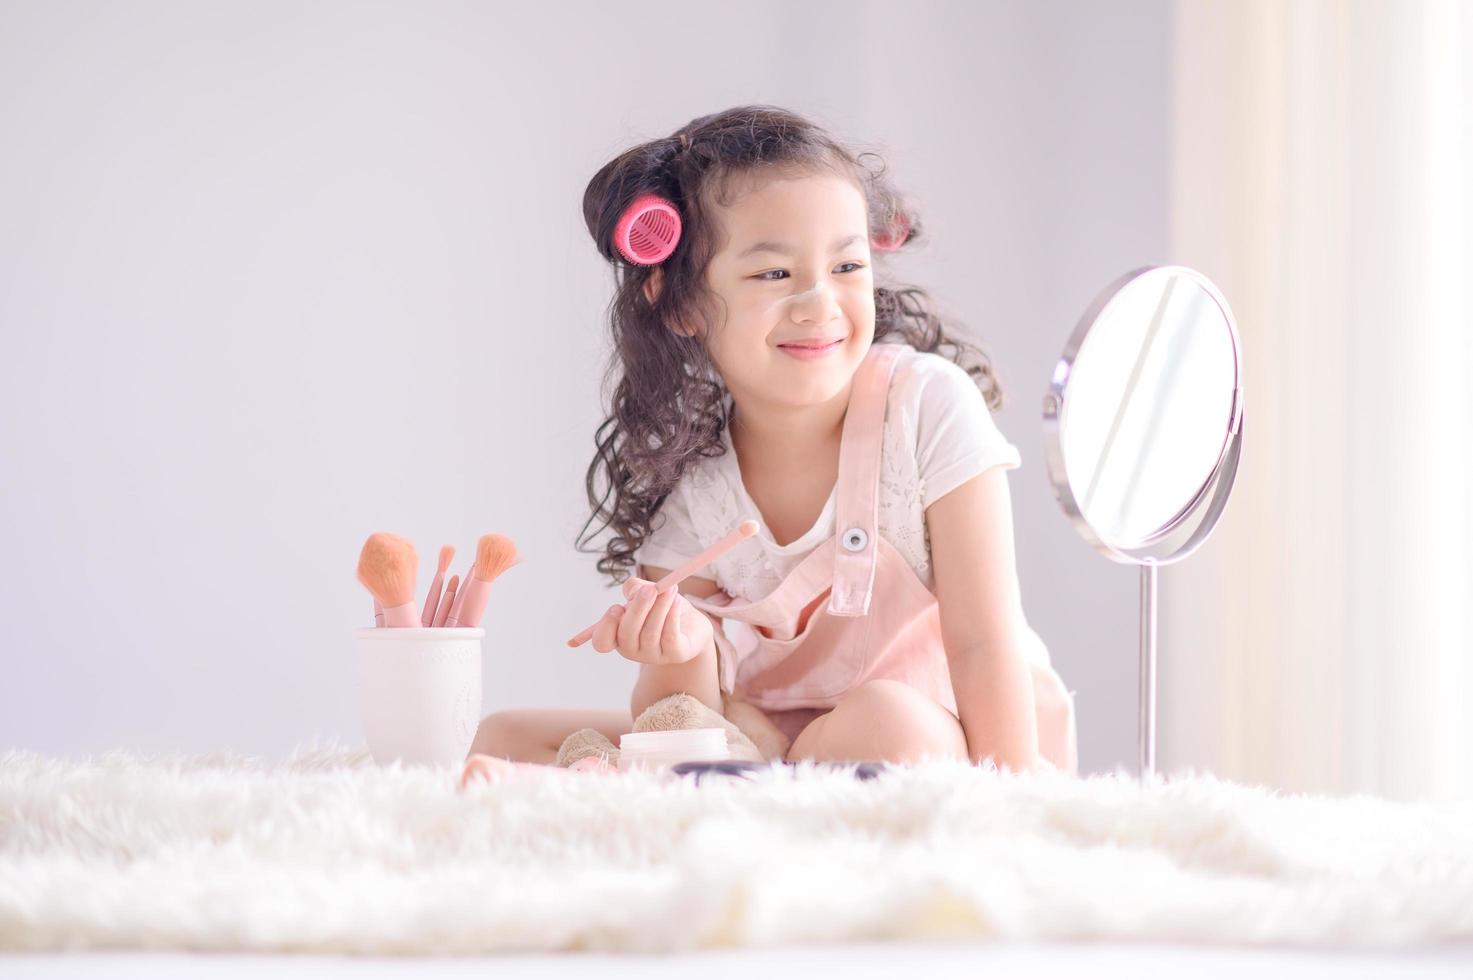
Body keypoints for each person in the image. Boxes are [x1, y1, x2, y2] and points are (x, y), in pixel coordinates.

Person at [469, 105, 1077, 774]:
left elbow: (983, 645)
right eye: (773, 274)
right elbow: (681, 720)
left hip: (952, 740)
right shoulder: (692, 488)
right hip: (764, 746)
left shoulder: (925, 406)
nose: (818, 303)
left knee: (887, 724)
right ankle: (768, 782)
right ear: (679, 305)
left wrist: (1014, 801)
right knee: (504, 734)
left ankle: (762, 784)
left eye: (846, 267)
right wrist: (679, 655)